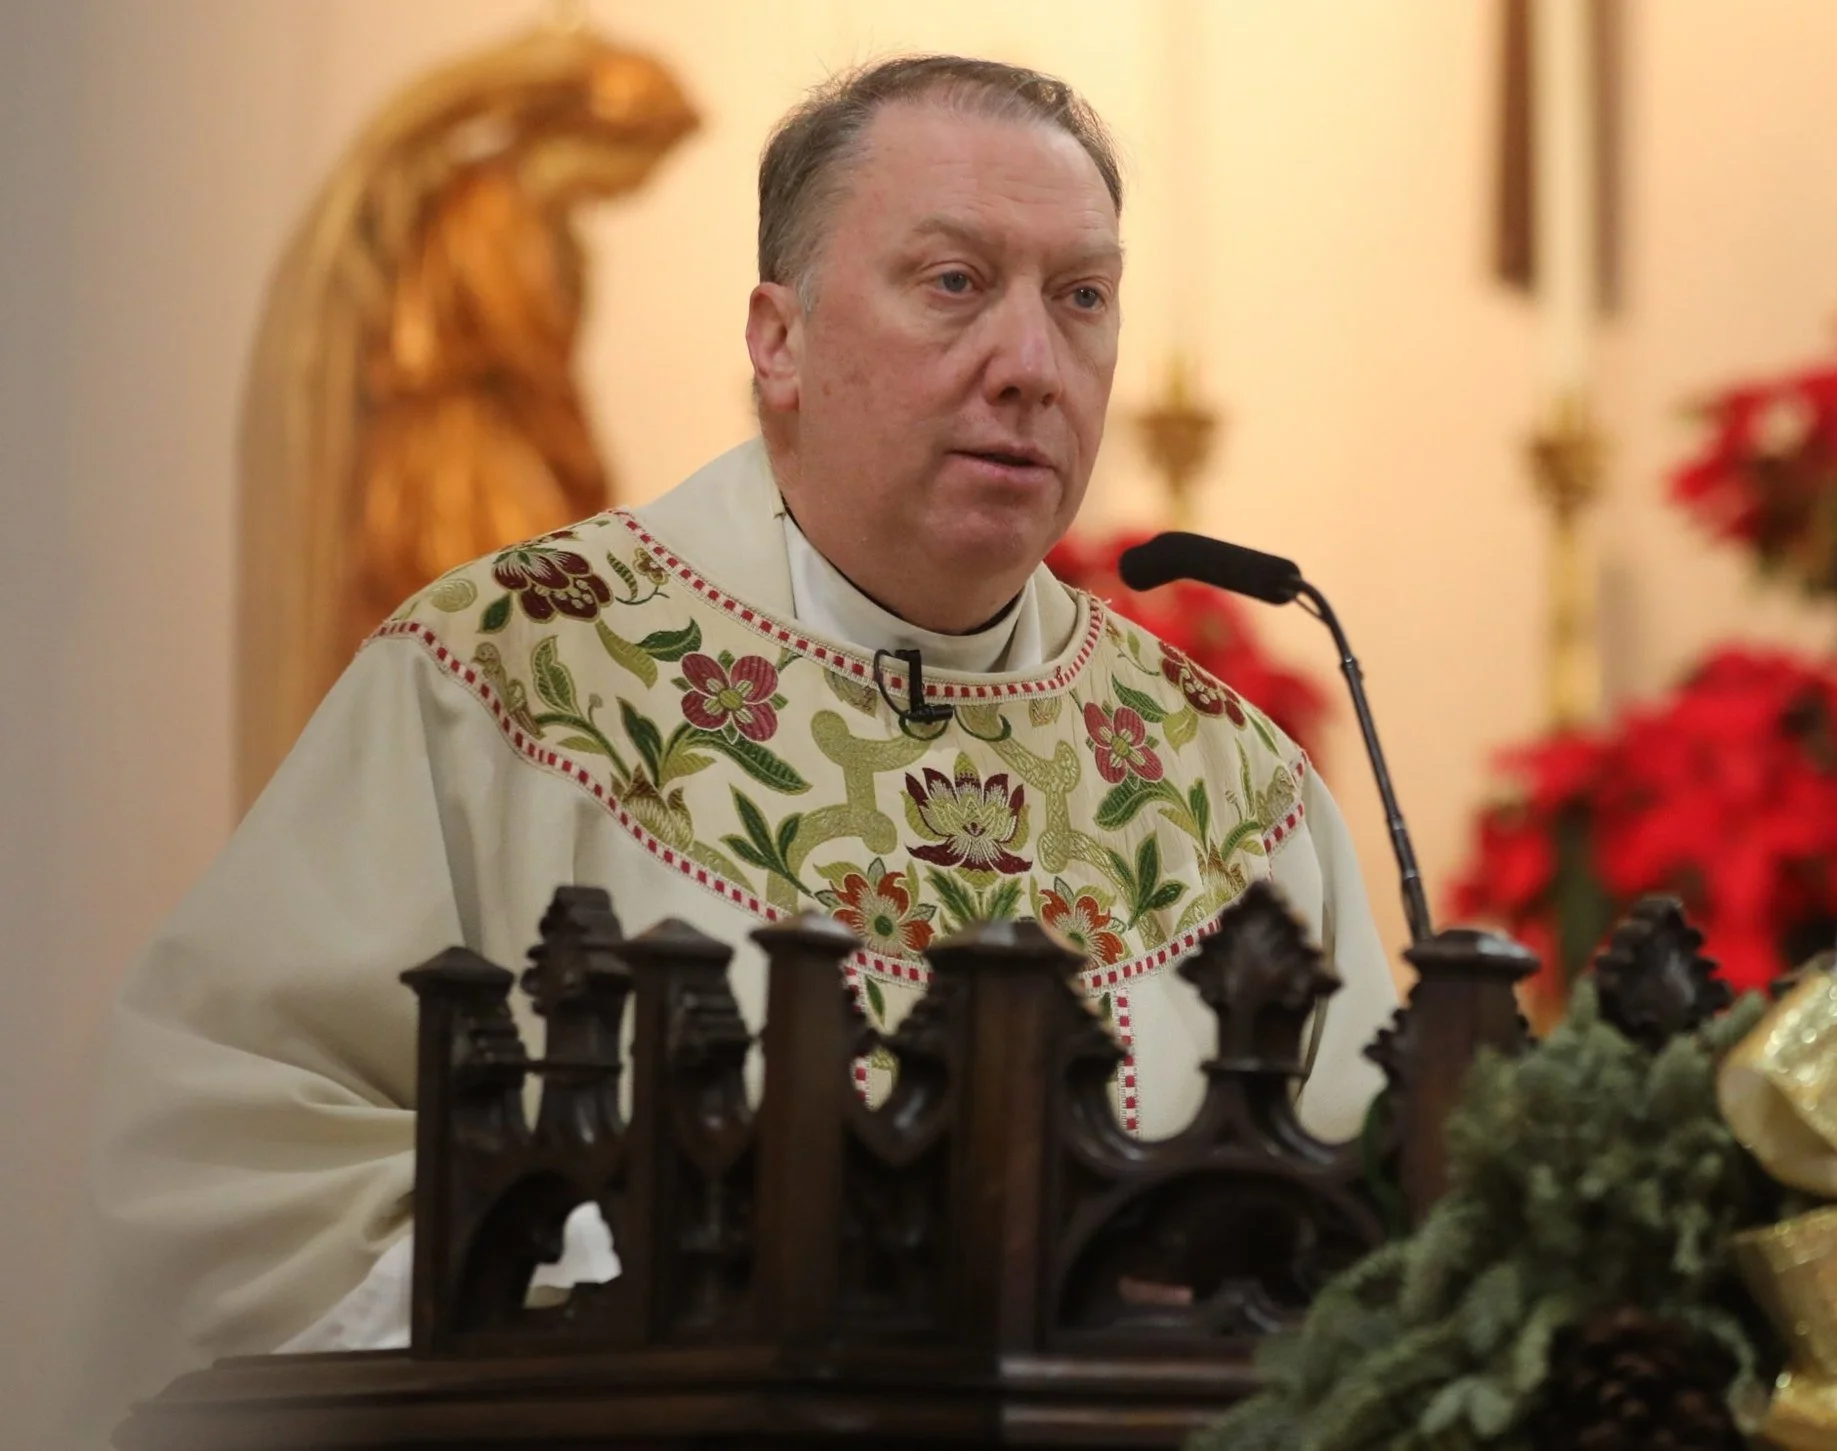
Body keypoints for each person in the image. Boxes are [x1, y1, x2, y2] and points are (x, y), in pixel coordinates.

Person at [71, 54, 1397, 1439]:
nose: (1030, 366)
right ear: (779, 339)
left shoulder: (1228, 786)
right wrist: (621, 1291)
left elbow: (1390, 1247)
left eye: (1081, 299)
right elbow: (217, 1145)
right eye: (953, 283)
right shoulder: (514, 676)